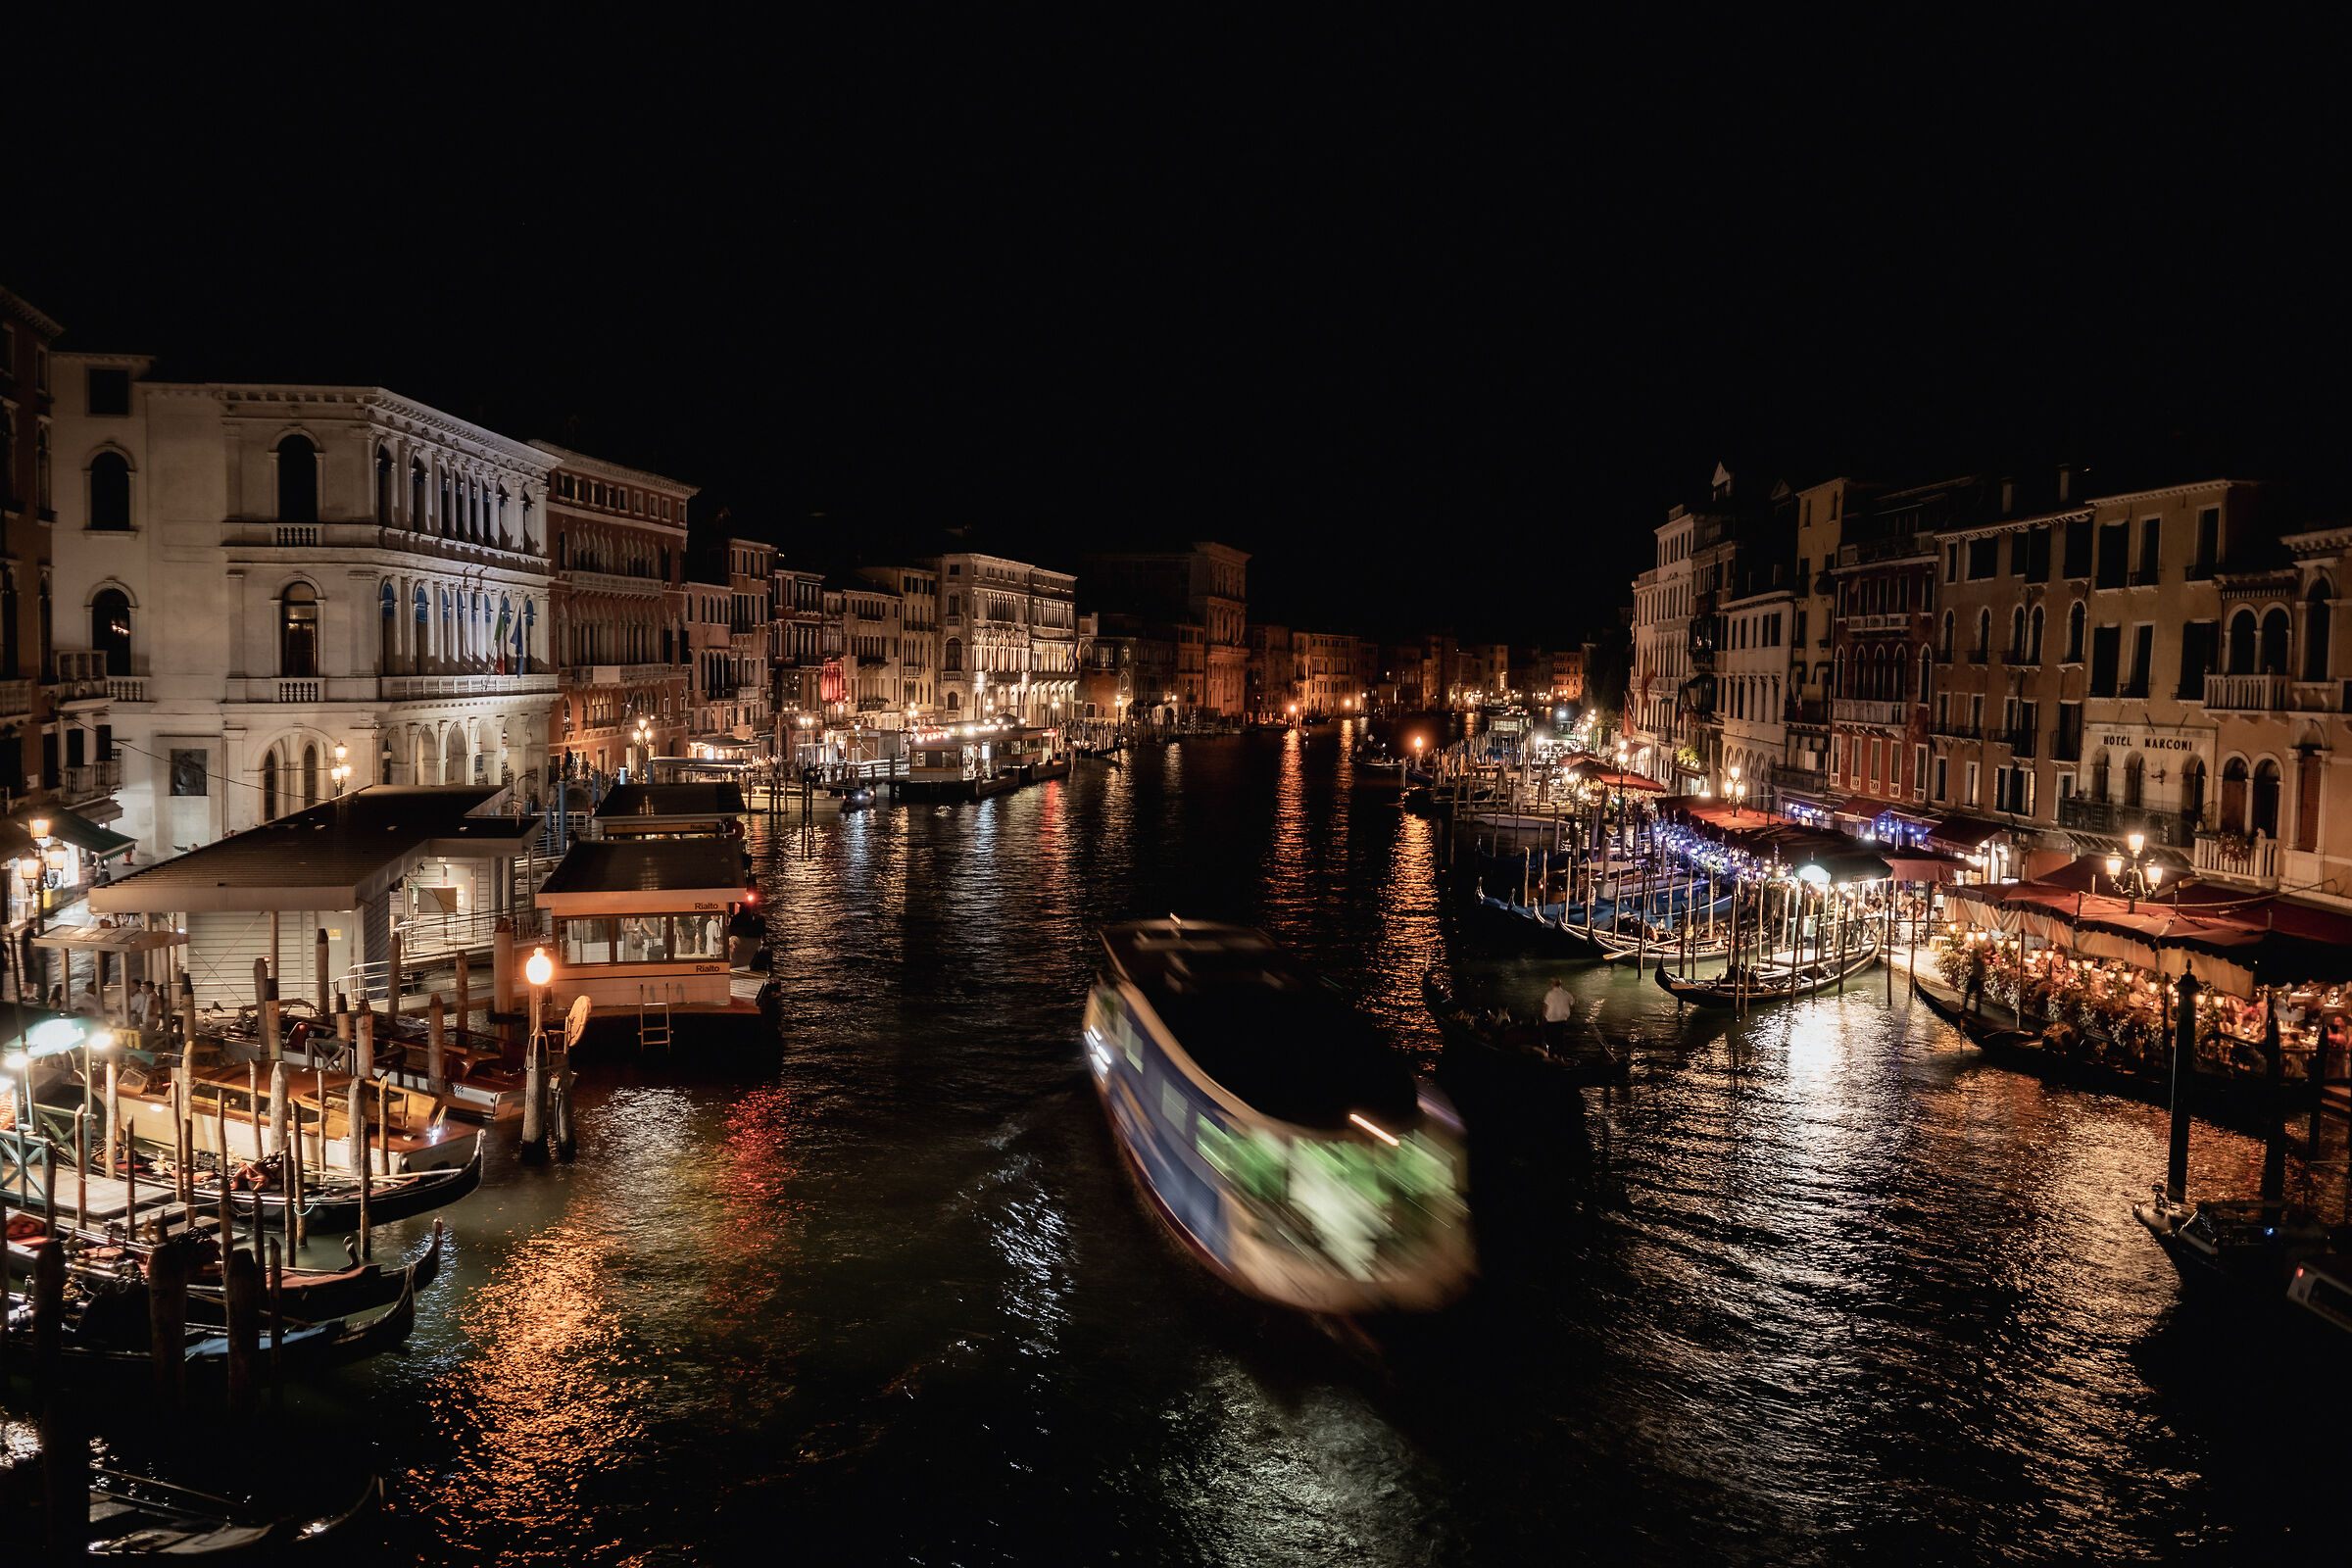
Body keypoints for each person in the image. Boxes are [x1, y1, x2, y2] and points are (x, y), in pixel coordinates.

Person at [1541, 977, 1574, 1056]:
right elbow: (1573, 1003)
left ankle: (1551, 1056)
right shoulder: (1567, 993)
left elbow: (1545, 1007)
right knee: (1560, 1038)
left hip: (1551, 1020)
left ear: (1552, 984)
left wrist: (1543, 1017)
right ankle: (1560, 1056)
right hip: (1562, 1019)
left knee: (1551, 1039)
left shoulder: (1550, 994)